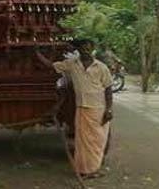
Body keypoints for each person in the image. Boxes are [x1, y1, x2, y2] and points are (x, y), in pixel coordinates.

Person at [35, 39, 113, 179]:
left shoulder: (101, 67)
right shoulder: (72, 64)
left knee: (98, 141)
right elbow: (51, 66)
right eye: (82, 48)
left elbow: (108, 89)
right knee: (82, 143)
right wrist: (36, 53)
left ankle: (94, 169)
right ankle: (84, 170)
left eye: (88, 48)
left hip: (99, 109)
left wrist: (109, 109)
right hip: (82, 108)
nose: (85, 51)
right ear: (78, 50)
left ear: (92, 49)